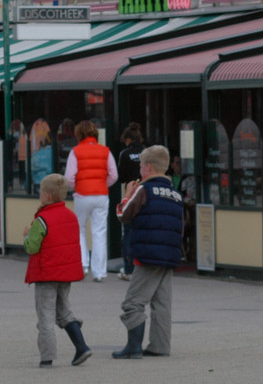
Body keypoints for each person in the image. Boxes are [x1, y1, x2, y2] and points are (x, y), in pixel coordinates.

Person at [113, 145, 183, 359]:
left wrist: (127, 194)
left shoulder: (144, 190)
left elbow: (124, 214)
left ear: (149, 167)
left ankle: (133, 347)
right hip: (169, 255)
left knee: (133, 302)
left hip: (146, 253)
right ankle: (160, 346)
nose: (140, 169)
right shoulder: (175, 194)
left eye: (141, 165)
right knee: (162, 303)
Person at [23, 173, 91, 367]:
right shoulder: (71, 216)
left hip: (46, 275)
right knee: (64, 311)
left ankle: (47, 357)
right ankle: (82, 347)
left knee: (45, 316)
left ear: (46, 196)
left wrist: (27, 236)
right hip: (64, 275)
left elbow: (32, 247)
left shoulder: (41, 220)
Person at [64, 120, 118, 282]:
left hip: (82, 195)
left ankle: (83, 265)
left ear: (79, 134)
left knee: (79, 229)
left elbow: (68, 177)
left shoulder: (76, 152)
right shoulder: (105, 151)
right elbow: (114, 175)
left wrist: (77, 187)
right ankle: (99, 272)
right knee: (99, 232)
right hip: (101, 195)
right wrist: (103, 184)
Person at [117, 122, 145, 281]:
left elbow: (120, 177)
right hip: (146, 194)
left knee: (128, 231)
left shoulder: (125, 153)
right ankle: (143, 269)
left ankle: (129, 269)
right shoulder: (147, 151)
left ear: (128, 139)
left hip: (131, 193)